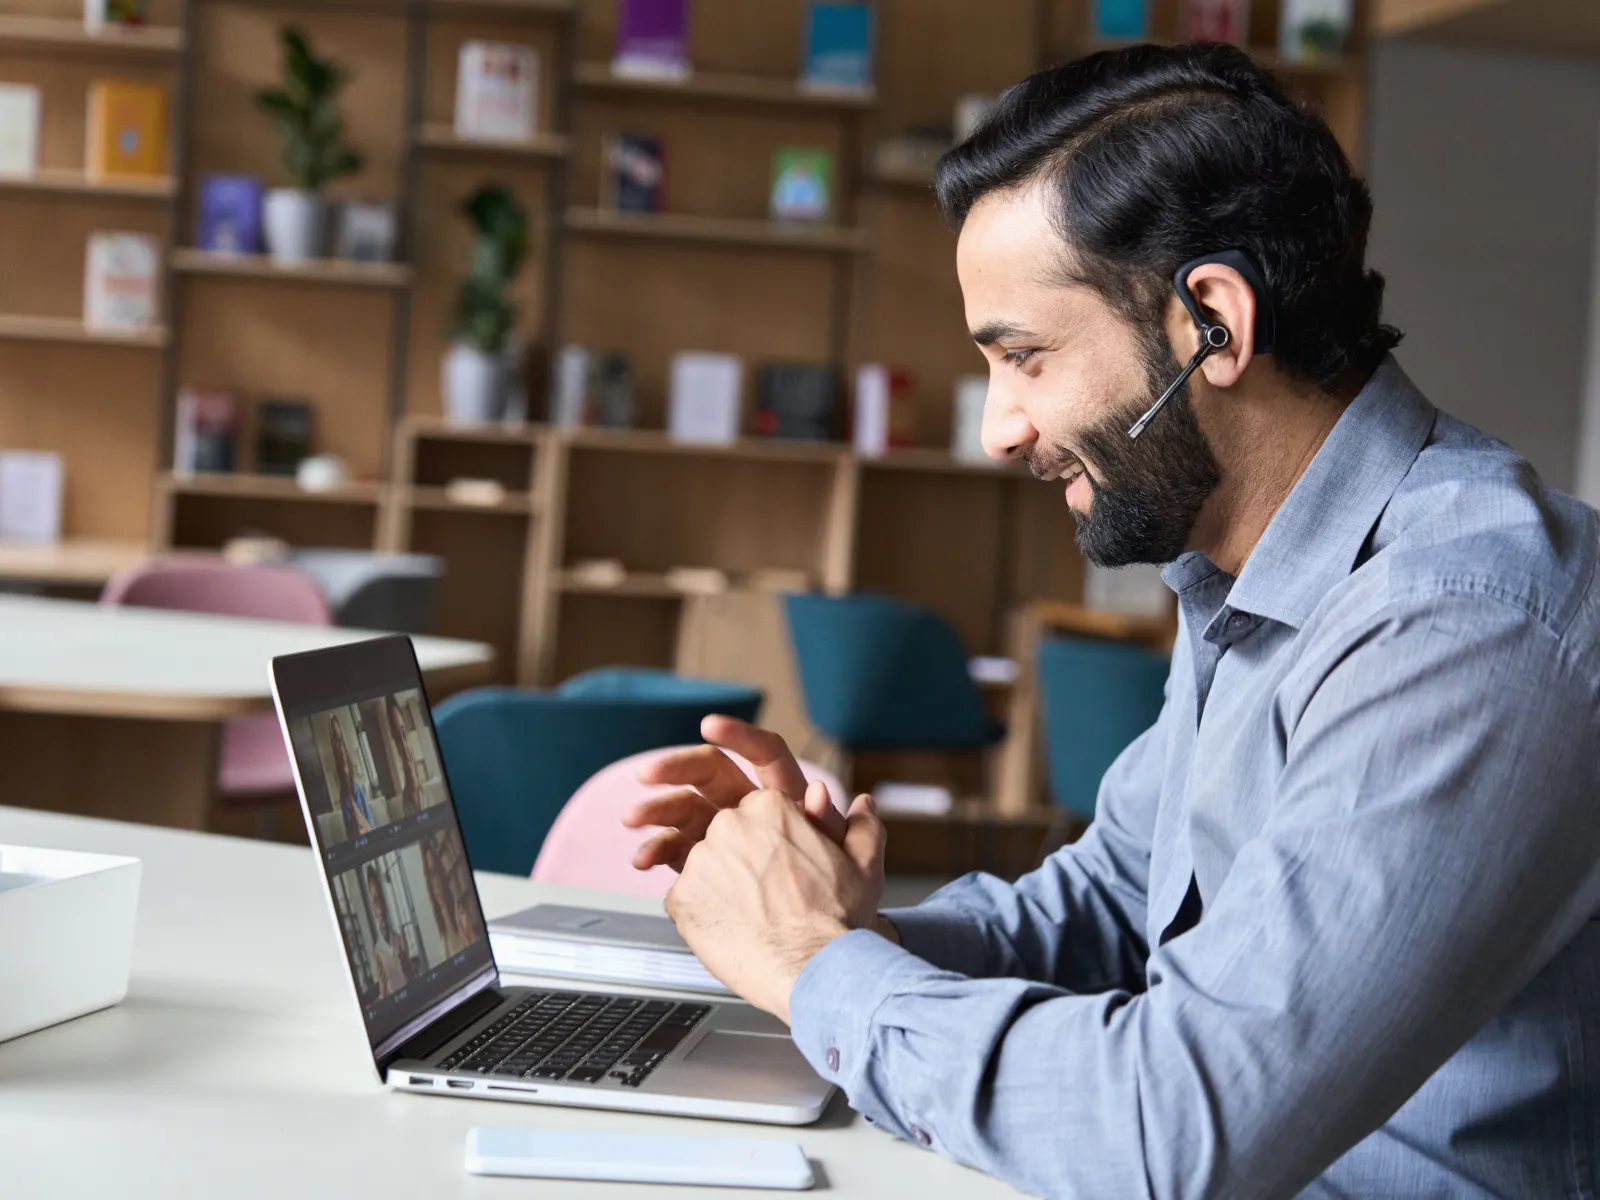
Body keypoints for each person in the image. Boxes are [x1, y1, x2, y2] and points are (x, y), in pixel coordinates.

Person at [623, 43, 1600, 1200]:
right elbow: (1105, 910)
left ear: (1211, 325)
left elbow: (1178, 1132)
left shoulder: (1465, 622)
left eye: (1024, 358)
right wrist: (825, 920)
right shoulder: (1246, 576)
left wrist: (814, 965)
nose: (1000, 428)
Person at [421, 834, 476, 960]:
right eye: (431, 875)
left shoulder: (460, 913)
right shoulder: (443, 929)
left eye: (436, 872)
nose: (436, 882)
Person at [364, 864, 409, 999]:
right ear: (372, 909)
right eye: (375, 903)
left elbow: (412, 979)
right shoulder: (378, 950)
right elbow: (383, 994)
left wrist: (407, 967)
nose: (380, 909)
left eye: (381, 900)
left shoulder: (400, 939)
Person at [328, 719, 374, 839]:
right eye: (336, 742)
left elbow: (371, 824)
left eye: (341, 741)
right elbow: (351, 834)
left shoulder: (358, 789)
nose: (341, 750)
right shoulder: (343, 796)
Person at [385, 695, 422, 818]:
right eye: (398, 738)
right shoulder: (402, 806)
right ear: (395, 745)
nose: (405, 746)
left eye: (404, 733)